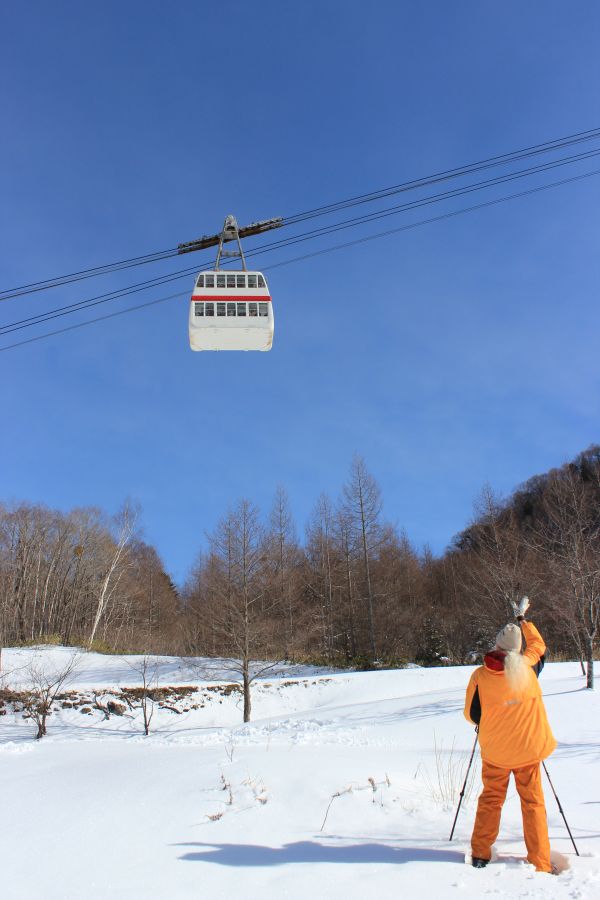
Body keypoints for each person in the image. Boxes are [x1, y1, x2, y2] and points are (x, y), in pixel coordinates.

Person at [464, 597, 557, 873]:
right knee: (533, 803)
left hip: (496, 753)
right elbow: (540, 647)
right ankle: (540, 861)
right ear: (517, 649)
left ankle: (480, 853)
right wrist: (523, 621)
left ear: (496, 645)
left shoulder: (480, 675)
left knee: (491, 799)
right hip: (529, 752)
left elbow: (471, 715)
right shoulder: (528, 668)